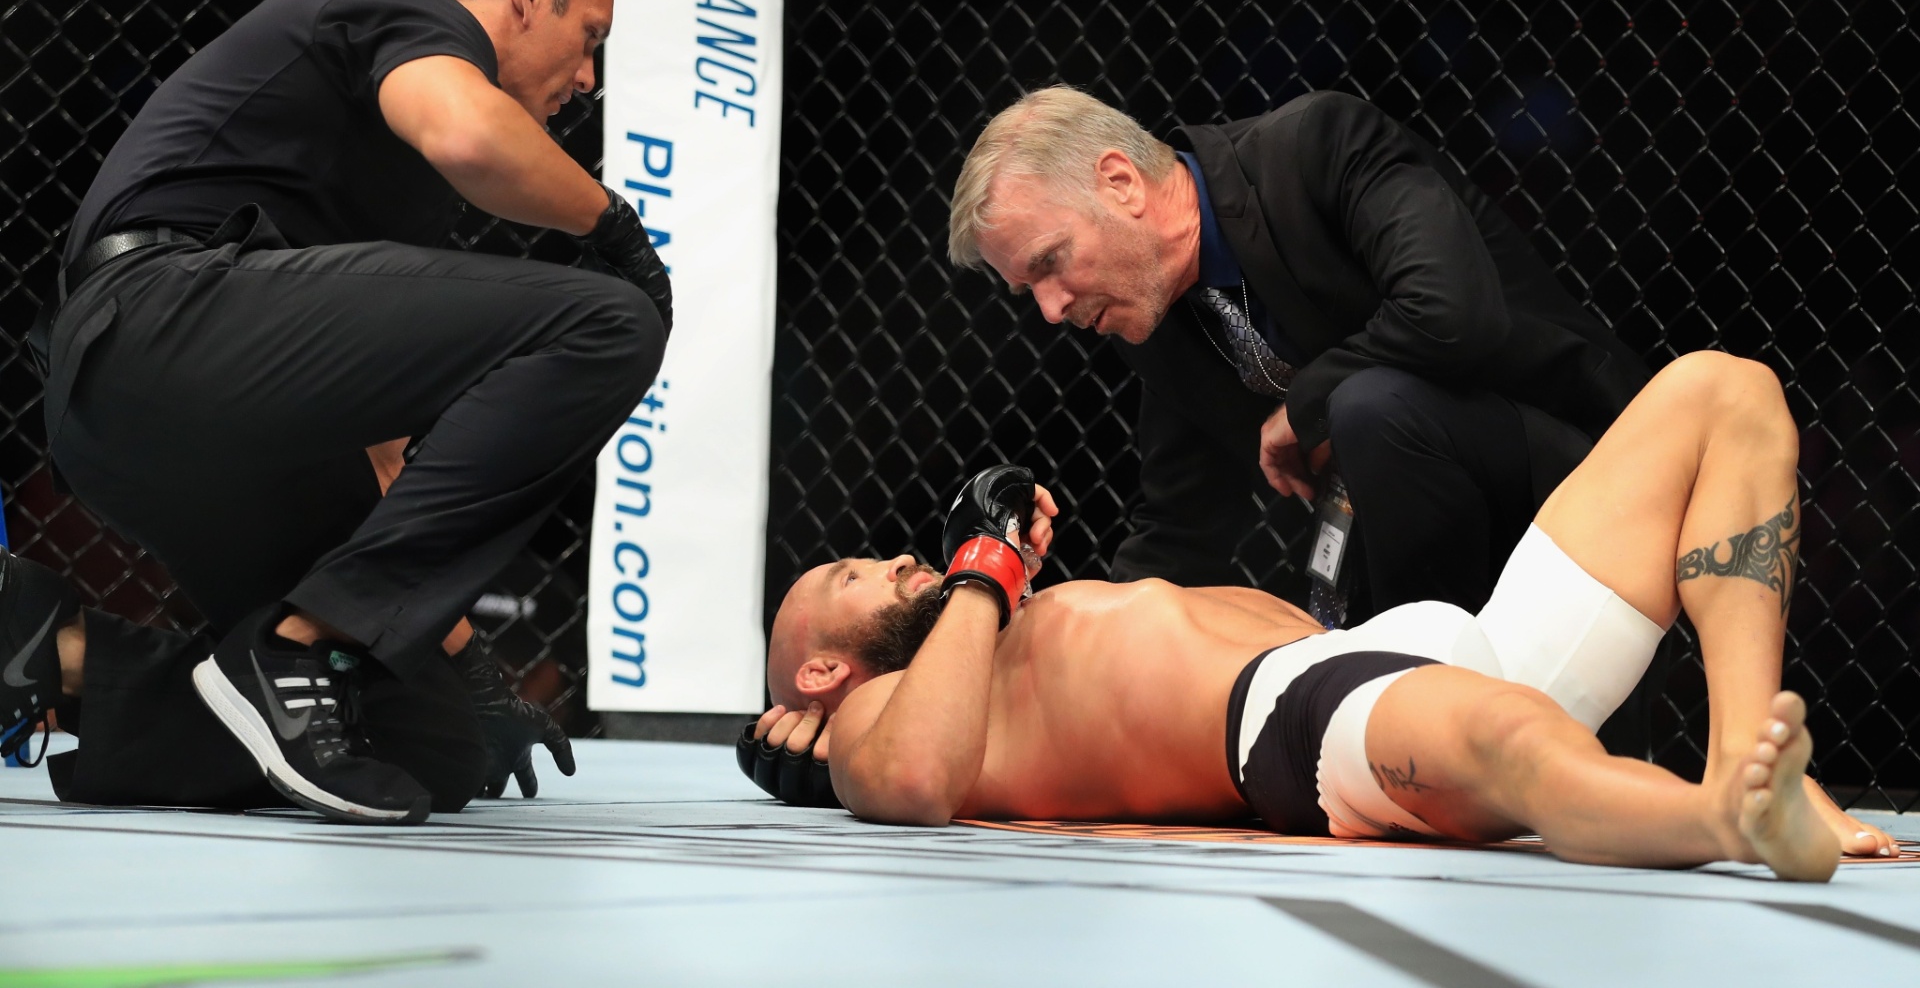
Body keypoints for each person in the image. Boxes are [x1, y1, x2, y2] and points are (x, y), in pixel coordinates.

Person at [4, 0, 668, 824]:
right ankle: (296, 645)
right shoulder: (398, 13)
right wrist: (614, 228)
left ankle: (51, 656)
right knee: (607, 320)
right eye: (589, 36)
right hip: (158, 325)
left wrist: (470, 673)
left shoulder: (384, 185)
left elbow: (386, 457)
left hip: (199, 414)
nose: (588, 78)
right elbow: (471, 138)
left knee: (429, 745)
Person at [753, 352, 1896, 875]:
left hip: (1395, 651)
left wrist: (999, 581)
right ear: (821, 672)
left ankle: (1750, 753)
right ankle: (1726, 819)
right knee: (1514, 739)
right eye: (853, 574)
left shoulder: (1002, 634)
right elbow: (914, 780)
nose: (893, 558)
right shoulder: (892, 714)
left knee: (1722, 390)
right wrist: (983, 568)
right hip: (1301, 725)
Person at [945, 88, 1663, 752]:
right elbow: (1179, 529)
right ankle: (1413, 722)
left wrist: (1301, 406)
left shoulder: (1313, 146)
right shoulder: (1155, 317)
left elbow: (1451, 311)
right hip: (1416, 557)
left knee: (1369, 408)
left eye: (1050, 262)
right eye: (1028, 289)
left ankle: (1422, 717)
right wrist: (1042, 641)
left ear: (1120, 182)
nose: (1051, 309)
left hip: (1585, 478)